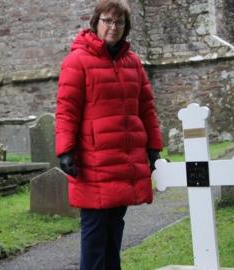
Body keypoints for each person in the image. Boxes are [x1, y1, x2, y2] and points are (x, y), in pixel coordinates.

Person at [55, 0, 163, 269]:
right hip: (94, 162)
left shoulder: (133, 63)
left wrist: (153, 147)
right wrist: (66, 151)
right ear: (96, 22)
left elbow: (146, 108)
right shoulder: (77, 61)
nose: (113, 27)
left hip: (125, 160)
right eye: (108, 20)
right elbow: (67, 110)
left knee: (114, 231)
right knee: (94, 235)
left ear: (126, 27)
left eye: (119, 22)